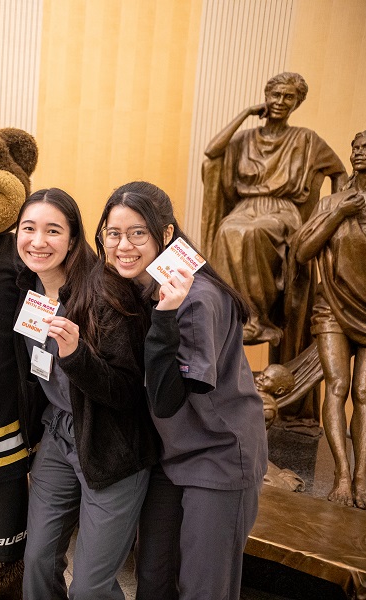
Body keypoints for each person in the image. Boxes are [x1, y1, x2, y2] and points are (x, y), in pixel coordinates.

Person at [95, 181, 267, 600]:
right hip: (169, 455)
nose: (123, 246)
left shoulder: (194, 299)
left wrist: (166, 316)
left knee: (204, 588)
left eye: (138, 233)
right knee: (153, 579)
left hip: (218, 454)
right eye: (113, 234)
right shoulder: (142, 286)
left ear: (166, 234)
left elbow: (168, 398)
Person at [14, 189, 159, 599]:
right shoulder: (29, 291)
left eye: (53, 231)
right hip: (58, 437)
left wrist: (76, 355)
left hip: (112, 442)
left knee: (91, 588)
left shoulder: (105, 295)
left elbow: (129, 393)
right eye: (29, 228)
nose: (38, 241)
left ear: (75, 240)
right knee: (37, 561)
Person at [202, 72, 346, 353]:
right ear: (266, 97)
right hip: (246, 207)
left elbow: (338, 171)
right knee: (228, 230)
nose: (281, 101)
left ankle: (257, 316)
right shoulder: (244, 139)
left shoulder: (306, 140)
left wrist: (331, 214)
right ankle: (232, 313)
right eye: (276, 95)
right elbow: (212, 152)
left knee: (253, 232)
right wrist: (245, 113)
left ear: (297, 102)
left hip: (282, 210)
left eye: (289, 96)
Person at [292, 129, 366, 512]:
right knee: (337, 385)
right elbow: (303, 251)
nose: (358, 152)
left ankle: (363, 477)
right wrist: (337, 215)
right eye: (355, 146)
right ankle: (341, 475)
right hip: (330, 304)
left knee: (365, 393)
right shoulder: (332, 201)